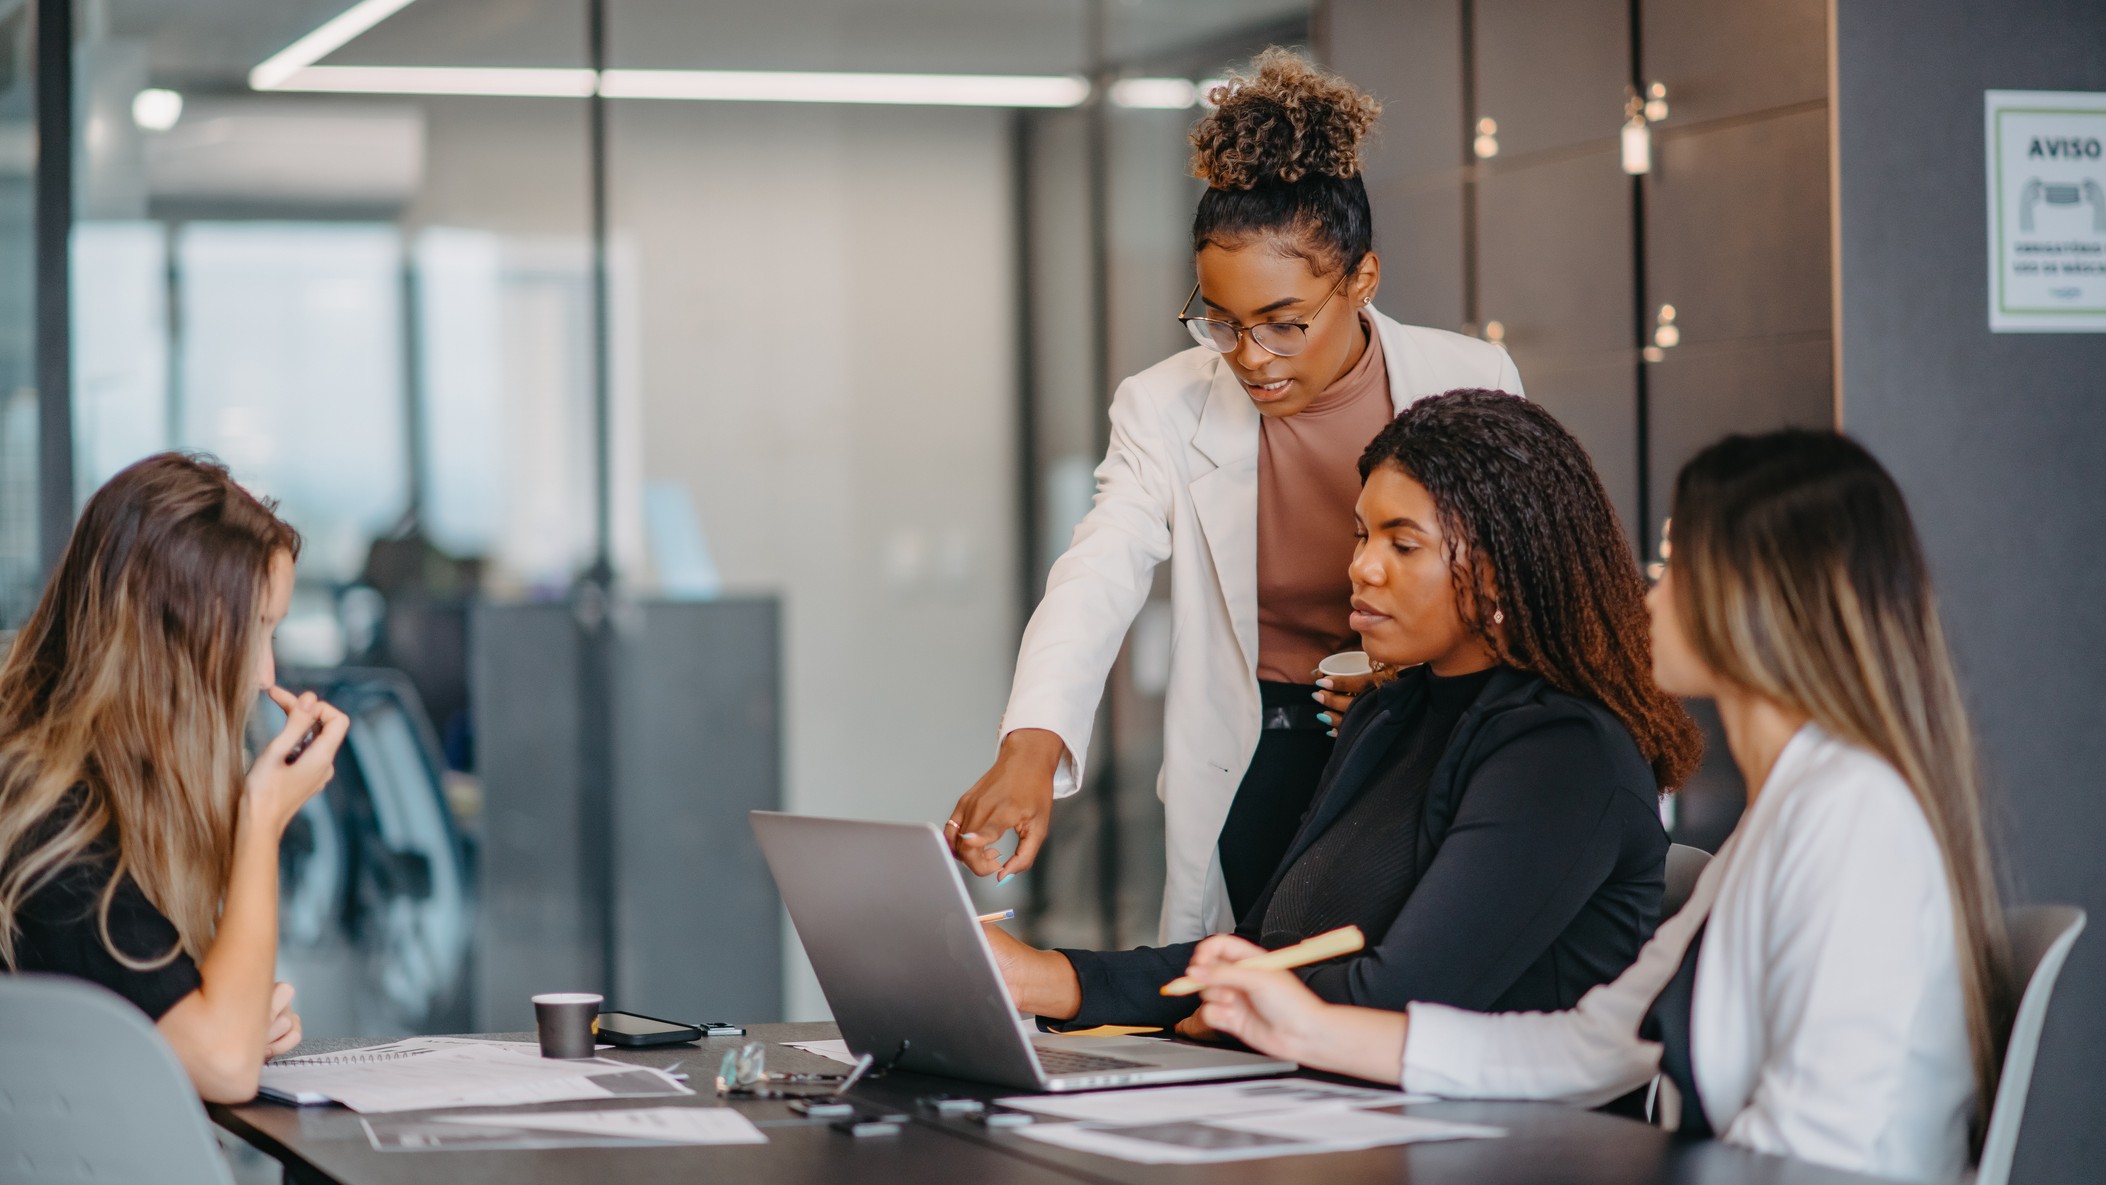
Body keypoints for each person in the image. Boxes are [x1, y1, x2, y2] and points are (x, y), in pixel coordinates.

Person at [1187, 430, 2012, 1185]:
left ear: (1756, 597)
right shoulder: (1791, 812)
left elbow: (1817, 1152)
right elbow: (1590, 1043)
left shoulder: (1853, 818)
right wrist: (1299, 1025)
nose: (1650, 594)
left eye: (1674, 564)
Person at [948, 49, 1525, 942]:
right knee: (1250, 976)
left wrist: (1412, 668)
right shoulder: (1165, 404)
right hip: (1265, 738)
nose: (1251, 356)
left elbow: (1523, 581)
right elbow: (1098, 571)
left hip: (1429, 731)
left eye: (1285, 324)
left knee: (1409, 969)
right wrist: (1033, 745)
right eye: (1222, 321)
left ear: (1362, 280)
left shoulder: (1471, 379)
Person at [985, 390, 1703, 1036]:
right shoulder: (1386, 717)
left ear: (1499, 568)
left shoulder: (1563, 752)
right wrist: (1044, 977)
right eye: (1363, 534)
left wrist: (1246, 999)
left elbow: (1404, 997)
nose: (1361, 566)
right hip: (1339, 1109)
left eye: (1403, 542)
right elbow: (1271, 943)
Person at [0, 453, 349, 1103]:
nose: (264, 673)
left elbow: (197, 1036)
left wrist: (233, 1017)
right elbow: (222, 1066)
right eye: (253, 630)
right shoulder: (48, 821)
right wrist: (262, 816)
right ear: (167, 637)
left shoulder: (94, 785)